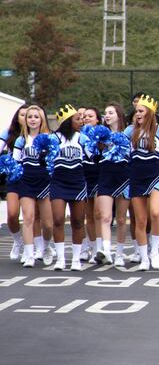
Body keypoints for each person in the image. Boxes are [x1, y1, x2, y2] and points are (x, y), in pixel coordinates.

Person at [124, 94, 159, 270]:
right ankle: (144, 258)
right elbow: (118, 148)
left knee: (156, 213)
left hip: (155, 175)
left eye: (141, 111)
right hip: (136, 177)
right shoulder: (130, 131)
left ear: (150, 112)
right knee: (140, 220)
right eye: (136, 112)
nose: (137, 114)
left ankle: (155, 252)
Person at [13, 105, 54, 268]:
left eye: (36, 117)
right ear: (26, 120)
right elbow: (15, 163)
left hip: (44, 180)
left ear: (41, 119)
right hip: (26, 180)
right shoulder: (21, 140)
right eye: (30, 117)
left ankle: (45, 247)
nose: (33, 120)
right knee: (28, 218)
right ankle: (29, 255)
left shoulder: (49, 138)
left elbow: (54, 161)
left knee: (48, 224)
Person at [49, 105, 88, 271]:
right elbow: (46, 159)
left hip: (78, 182)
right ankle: (60, 258)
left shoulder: (83, 138)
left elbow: (93, 157)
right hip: (59, 181)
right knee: (57, 219)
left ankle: (76, 259)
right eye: (77, 119)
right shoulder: (54, 138)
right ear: (67, 121)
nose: (81, 122)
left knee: (78, 221)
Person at [94, 103, 130, 266]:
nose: (107, 115)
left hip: (123, 176)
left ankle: (120, 253)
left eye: (111, 112)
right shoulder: (101, 135)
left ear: (119, 115)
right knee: (106, 217)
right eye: (105, 113)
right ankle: (106, 251)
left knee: (122, 219)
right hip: (105, 176)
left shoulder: (128, 133)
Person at [1, 104, 28, 261]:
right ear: (17, 117)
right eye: (22, 115)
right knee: (12, 214)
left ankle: (32, 246)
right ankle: (18, 241)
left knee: (30, 215)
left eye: (29, 114)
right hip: (14, 175)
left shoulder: (39, 133)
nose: (26, 118)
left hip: (33, 177)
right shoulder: (9, 132)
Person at [81, 107, 101, 262]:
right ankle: (91, 247)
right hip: (83, 176)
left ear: (97, 120)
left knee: (98, 214)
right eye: (84, 116)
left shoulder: (102, 134)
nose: (86, 118)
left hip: (100, 175)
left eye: (90, 116)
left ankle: (100, 248)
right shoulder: (79, 136)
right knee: (88, 215)